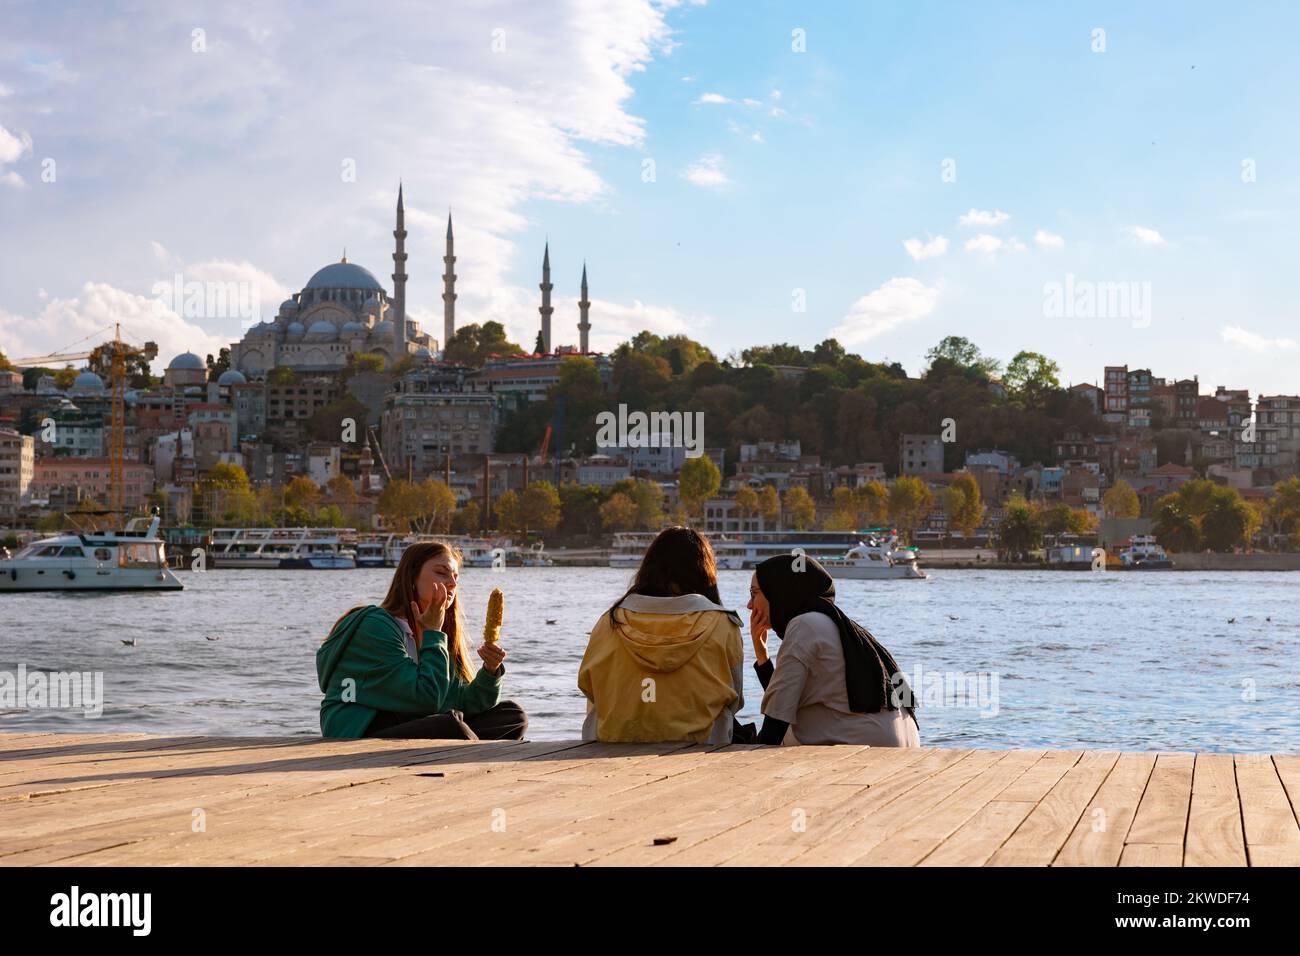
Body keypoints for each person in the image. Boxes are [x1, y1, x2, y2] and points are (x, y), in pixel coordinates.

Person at [316, 541, 527, 740]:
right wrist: (433, 634)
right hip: (360, 728)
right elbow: (427, 698)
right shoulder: (376, 626)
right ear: (412, 578)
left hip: (411, 715)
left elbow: (460, 700)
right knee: (450, 726)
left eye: (455, 577)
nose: (452, 583)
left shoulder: (436, 630)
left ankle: (468, 751)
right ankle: (473, 757)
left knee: (512, 716)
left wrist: (490, 672)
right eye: (441, 573)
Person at [578, 527, 744, 744]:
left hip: (613, 743)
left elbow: (589, 687)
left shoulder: (609, 622)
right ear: (705, 571)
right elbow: (735, 699)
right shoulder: (724, 625)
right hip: (702, 747)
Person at [746, 553, 919, 747]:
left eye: (754, 593)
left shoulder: (804, 625)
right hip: (903, 745)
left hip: (868, 752)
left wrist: (750, 759)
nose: (749, 605)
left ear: (779, 590)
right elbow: (783, 701)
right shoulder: (838, 625)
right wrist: (762, 654)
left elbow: (776, 720)